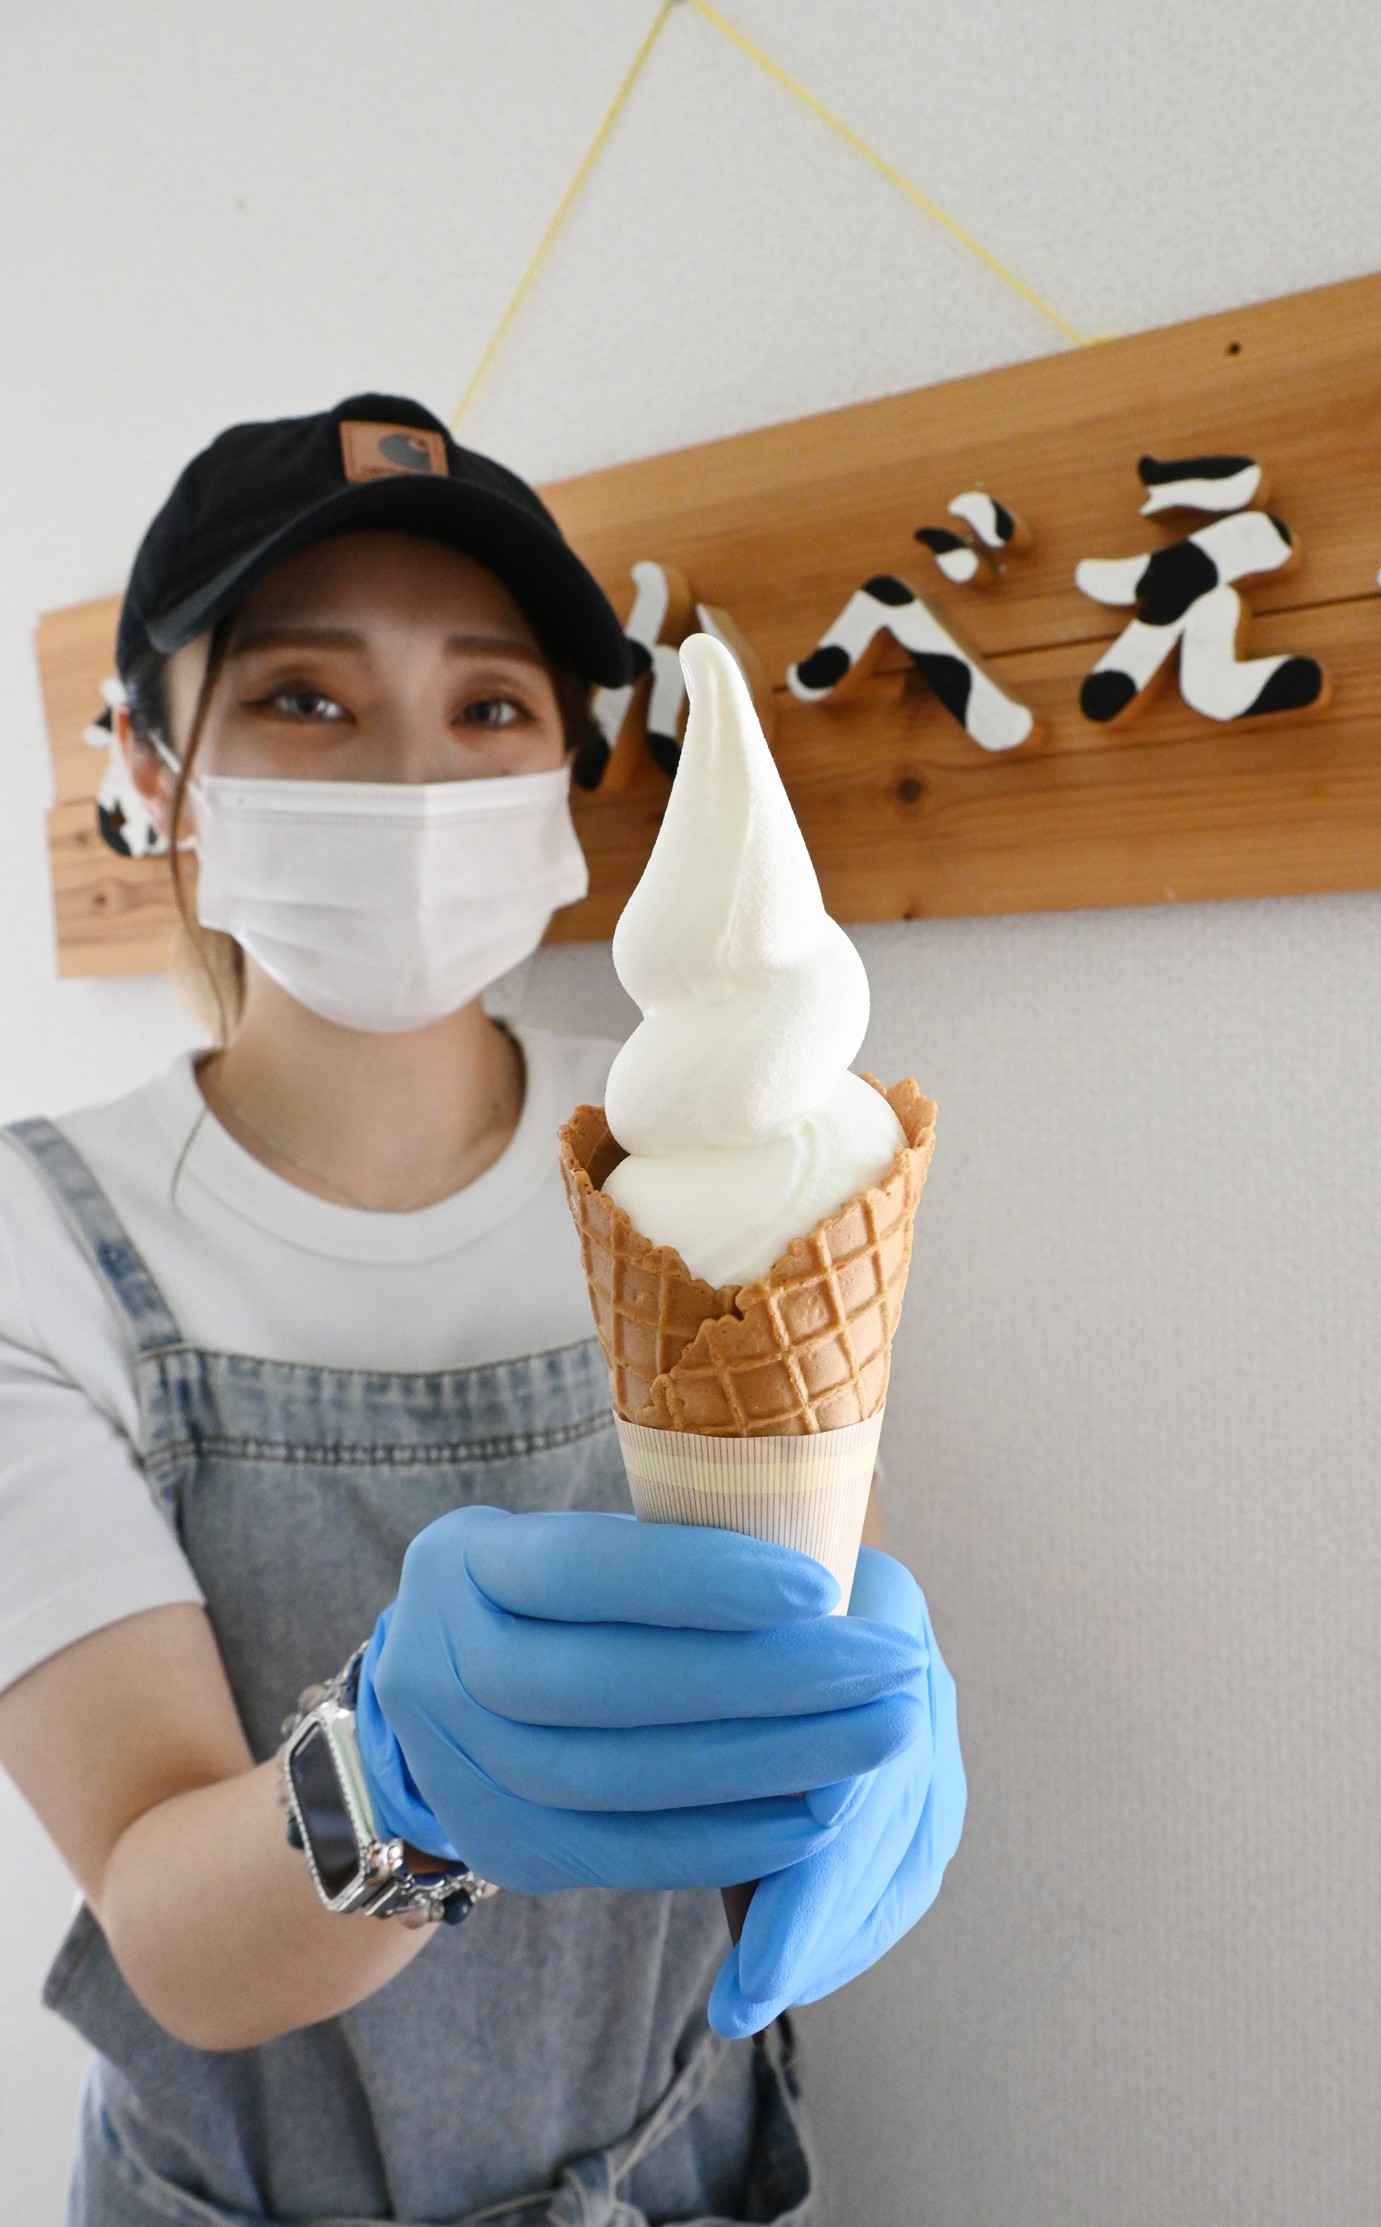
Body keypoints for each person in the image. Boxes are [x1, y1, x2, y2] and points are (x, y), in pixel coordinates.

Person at [0, 394, 965, 2226]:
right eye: (303, 697)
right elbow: (166, 1926)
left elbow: (801, 1622)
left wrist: (854, 1731)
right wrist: (394, 1780)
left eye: (490, 706)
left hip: (690, 2174)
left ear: (565, 771)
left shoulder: (704, 1150)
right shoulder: (34, 1236)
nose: (409, 777)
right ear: (148, 763)